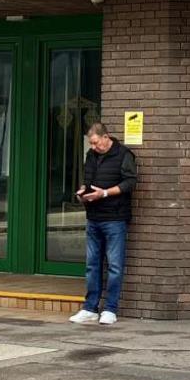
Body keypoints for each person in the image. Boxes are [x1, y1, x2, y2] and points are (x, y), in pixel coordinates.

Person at [69, 121, 137, 325]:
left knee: (114, 266)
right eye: (90, 143)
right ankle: (90, 307)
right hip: (94, 216)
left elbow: (130, 182)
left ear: (106, 138)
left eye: (96, 142)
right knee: (92, 265)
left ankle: (110, 309)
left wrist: (104, 193)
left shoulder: (124, 154)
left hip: (115, 218)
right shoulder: (91, 156)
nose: (93, 147)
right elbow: (87, 180)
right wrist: (83, 192)